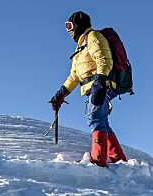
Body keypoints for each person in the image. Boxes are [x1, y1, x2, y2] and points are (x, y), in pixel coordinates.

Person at [49, 11, 128, 166]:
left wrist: (100, 81)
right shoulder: (81, 48)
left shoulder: (93, 37)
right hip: (95, 86)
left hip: (100, 86)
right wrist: (60, 95)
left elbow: (104, 59)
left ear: (78, 26)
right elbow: (74, 77)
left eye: (70, 26)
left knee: (95, 119)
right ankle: (118, 159)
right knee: (101, 121)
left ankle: (98, 160)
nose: (69, 31)